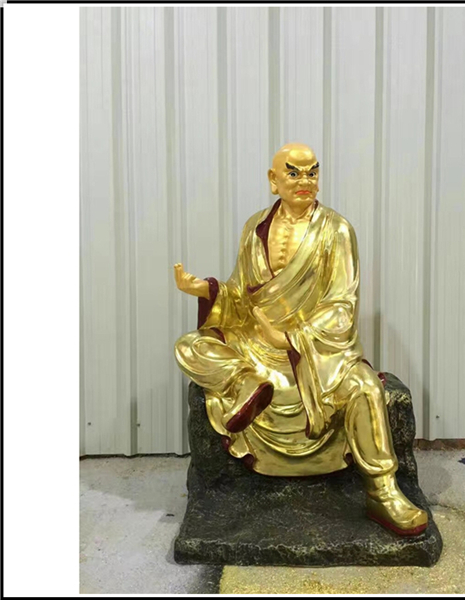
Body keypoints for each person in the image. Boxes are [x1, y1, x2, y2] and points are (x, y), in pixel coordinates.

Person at [174, 143, 427, 536]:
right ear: (273, 180)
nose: (304, 180)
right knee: (190, 346)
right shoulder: (255, 228)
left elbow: (342, 306)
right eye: (293, 172)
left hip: (313, 351)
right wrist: (207, 291)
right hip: (257, 348)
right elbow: (242, 295)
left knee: (364, 387)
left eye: (312, 172)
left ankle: (382, 490)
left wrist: (291, 337)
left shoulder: (336, 231)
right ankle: (245, 385)